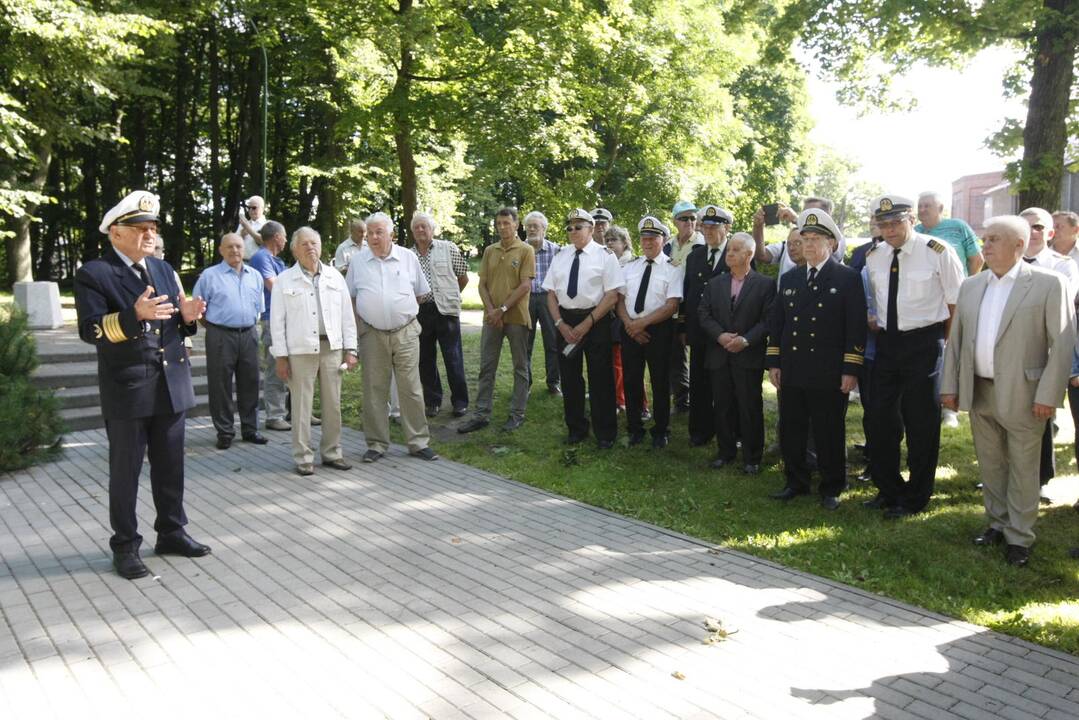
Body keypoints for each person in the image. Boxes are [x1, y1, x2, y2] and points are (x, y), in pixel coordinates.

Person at [74, 190, 211, 580]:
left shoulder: (163, 269)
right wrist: (133, 317)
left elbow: (172, 323)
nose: (149, 235)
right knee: (126, 471)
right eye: (140, 228)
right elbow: (90, 330)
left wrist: (187, 317)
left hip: (171, 382)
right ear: (116, 233)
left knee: (171, 467)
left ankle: (171, 531)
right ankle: (125, 545)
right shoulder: (94, 273)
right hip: (129, 387)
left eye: (152, 228)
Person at [941, 215, 1075, 567]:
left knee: (1023, 468)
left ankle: (1020, 537)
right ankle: (997, 524)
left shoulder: (1048, 284)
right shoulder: (972, 285)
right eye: (984, 239)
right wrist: (950, 386)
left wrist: (1048, 395)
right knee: (991, 464)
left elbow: (1061, 345)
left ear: (1019, 245)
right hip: (981, 389)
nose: (985, 245)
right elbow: (955, 343)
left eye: (994, 239)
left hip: (1026, 393)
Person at [864, 194, 964, 518]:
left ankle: (917, 496)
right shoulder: (875, 255)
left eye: (895, 223)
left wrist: (943, 345)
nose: (889, 230)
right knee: (879, 418)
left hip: (925, 342)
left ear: (911, 220)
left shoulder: (937, 252)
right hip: (888, 343)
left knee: (921, 422)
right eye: (883, 224)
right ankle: (888, 488)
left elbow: (955, 305)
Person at [766, 210, 866, 510]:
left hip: (829, 369)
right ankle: (795, 481)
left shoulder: (847, 277)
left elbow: (856, 326)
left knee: (828, 430)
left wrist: (851, 369)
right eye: (804, 239)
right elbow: (778, 323)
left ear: (831, 244)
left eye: (815, 239)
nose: (808, 245)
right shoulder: (791, 277)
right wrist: (775, 361)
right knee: (792, 428)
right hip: (794, 367)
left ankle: (832, 485)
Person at [346, 212, 439, 462]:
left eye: (379, 232)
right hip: (372, 333)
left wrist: (398, 312)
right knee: (374, 388)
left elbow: (420, 294)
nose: (374, 237)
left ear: (391, 234)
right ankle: (376, 444)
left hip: (406, 331)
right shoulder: (358, 262)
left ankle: (418, 442)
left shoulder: (408, 258)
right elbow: (351, 298)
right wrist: (361, 327)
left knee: (411, 388)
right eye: (370, 233)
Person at [270, 227, 358, 476]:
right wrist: (281, 356)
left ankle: (332, 452)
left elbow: (347, 317)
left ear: (321, 247)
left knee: (333, 404)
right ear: (295, 249)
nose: (311, 248)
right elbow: (277, 322)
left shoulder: (334, 277)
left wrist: (351, 349)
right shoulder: (285, 280)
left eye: (315, 243)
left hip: (332, 348)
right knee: (301, 406)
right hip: (300, 350)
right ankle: (303, 457)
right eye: (305, 244)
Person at [543, 208, 625, 448]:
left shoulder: (605, 256)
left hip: (596, 320)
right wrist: (560, 323)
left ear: (591, 229)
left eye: (578, 227)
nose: (573, 231)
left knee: (601, 378)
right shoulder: (561, 255)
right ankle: (576, 429)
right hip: (566, 321)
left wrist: (587, 323)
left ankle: (606, 433)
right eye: (569, 227)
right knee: (570, 379)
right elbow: (550, 293)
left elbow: (612, 296)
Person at [699, 232, 776, 473]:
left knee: (749, 406)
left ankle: (752, 457)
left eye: (735, 250)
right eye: (728, 250)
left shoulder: (765, 284)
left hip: (747, 356)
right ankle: (726, 451)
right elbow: (703, 313)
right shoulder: (715, 283)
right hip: (720, 354)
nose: (729, 254)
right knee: (722, 405)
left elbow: (768, 320)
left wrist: (746, 340)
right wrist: (720, 336)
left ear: (749, 254)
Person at [459, 207, 535, 433]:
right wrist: (491, 311)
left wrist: (501, 309)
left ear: (516, 224)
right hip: (492, 319)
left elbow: (525, 285)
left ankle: (517, 414)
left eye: (506, 223)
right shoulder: (490, 251)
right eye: (498, 223)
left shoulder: (525, 250)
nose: (502, 227)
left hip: (516, 318)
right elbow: (482, 284)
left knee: (520, 367)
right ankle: (481, 414)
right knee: (486, 366)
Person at [1020, 206, 1079, 496]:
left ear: (1051, 233)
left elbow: (1060, 307)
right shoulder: (1002, 263)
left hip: (1047, 348)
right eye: (1026, 225)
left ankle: (1040, 479)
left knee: (1041, 417)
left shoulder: (1063, 265)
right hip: (1009, 350)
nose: (1032, 231)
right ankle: (1006, 473)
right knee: (1004, 414)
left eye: (1039, 227)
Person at [192, 233, 267, 449]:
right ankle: (225, 431)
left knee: (251, 382)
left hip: (249, 334)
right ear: (221, 250)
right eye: (230, 247)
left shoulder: (255, 275)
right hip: (220, 335)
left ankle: (250, 429)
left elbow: (259, 309)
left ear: (244, 249)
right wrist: (217, 328)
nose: (235, 250)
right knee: (220, 383)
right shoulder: (209, 276)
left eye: (238, 246)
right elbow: (199, 310)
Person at [616, 217, 683, 448]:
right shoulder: (629, 267)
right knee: (632, 380)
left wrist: (641, 324)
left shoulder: (673, 268)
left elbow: (671, 305)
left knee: (660, 382)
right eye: (644, 238)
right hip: (630, 328)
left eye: (653, 238)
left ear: (662, 239)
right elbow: (620, 300)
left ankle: (661, 430)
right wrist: (630, 326)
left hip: (659, 330)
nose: (647, 242)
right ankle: (634, 428)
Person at [681, 204, 735, 446]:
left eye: (715, 226)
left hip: (726, 333)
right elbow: (688, 293)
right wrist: (683, 327)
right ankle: (700, 431)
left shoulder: (736, 254)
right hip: (700, 332)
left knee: (725, 387)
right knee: (699, 383)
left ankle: (730, 433)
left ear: (727, 228)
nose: (709, 231)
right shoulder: (695, 256)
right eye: (705, 226)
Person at [411, 211, 470, 418]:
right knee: (425, 359)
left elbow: (463, 278)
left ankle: (460, 402)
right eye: (416, 227)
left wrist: (448, 297)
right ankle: (433, 401)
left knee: (453, 358)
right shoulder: (408, 256)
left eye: (424, 226)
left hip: (446, 312)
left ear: (432, 229)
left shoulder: (448, 248)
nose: (420, 230)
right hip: (421, 312)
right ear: (412, 231)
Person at [249, 221, 291, 431]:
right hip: (272, 318)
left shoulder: (277, 260)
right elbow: (274, 286)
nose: (285, 240)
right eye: (284, 236)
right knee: (276, 366)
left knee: (293, 365)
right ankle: (274, 415)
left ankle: (295, 411)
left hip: (288, 318)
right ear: (276, 237)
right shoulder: (261, 258)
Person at [665, 201, 703, 412]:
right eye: (684, 218)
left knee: (698, 356)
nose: (689, 222)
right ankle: (681, 400)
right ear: (675, 221)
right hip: (672, 305)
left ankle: (700, 401)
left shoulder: (703, 244)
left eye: (692, 218)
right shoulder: (668, 246)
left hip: (695, 307)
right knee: (675, 355)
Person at [523, 211, 562, 396]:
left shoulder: (557, 250)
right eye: (528, 226)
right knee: (524, 343)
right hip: (525, 299)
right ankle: (526, 383)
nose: (531, 229)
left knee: (553, 342)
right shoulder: (520, 249)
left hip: (549, 300)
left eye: (535, 226)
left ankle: (553, 382)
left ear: (544, 229)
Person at [604, 224, 641, 415]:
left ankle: (632, 403)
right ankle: (618, 398)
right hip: (609, 318)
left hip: (625, 318)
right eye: (607, 240)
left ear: (625, 242)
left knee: (627, 363)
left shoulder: (631, 263)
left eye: (614, 240)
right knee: (615, 362)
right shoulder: (608, 262)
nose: (610, 244)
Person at [756, 197, 847, 273]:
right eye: (804, 213)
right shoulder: (788, 244)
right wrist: (758, 226)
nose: (807, 216)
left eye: (812, 213)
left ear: (827, 216)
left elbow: (837, 245)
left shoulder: (833, 240)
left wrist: (796, 219)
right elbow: (761, 256)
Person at [915, 191, 984, 276]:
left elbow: (977, 261)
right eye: (919, 206)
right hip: (923, 288)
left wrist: (967, 285)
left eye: (927, 206)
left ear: (940, 208)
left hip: (957, 287)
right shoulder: (913, 232)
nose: (922, 210)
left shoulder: (958, 227)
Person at [236, 195, 267, 260]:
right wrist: (241, 235)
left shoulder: (267, 225)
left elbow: (265, 242)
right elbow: (234, 243)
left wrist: (248, 229)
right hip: (242, 262)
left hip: (259, 264)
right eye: (249, 208)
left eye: (254, 208)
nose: (250, 210)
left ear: (262, 208)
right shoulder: (243, 224)